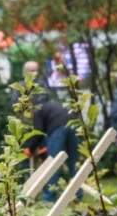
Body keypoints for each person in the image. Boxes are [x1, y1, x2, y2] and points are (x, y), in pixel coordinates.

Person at [15, 61, 79, 202]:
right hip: (73, 125)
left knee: (52, 163)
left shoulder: (37, 110)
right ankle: (77, 195)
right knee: (74, 162)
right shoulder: (50, 102)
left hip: (59, 129)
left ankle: (49, 198)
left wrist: (28, 148)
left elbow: (38, 132)